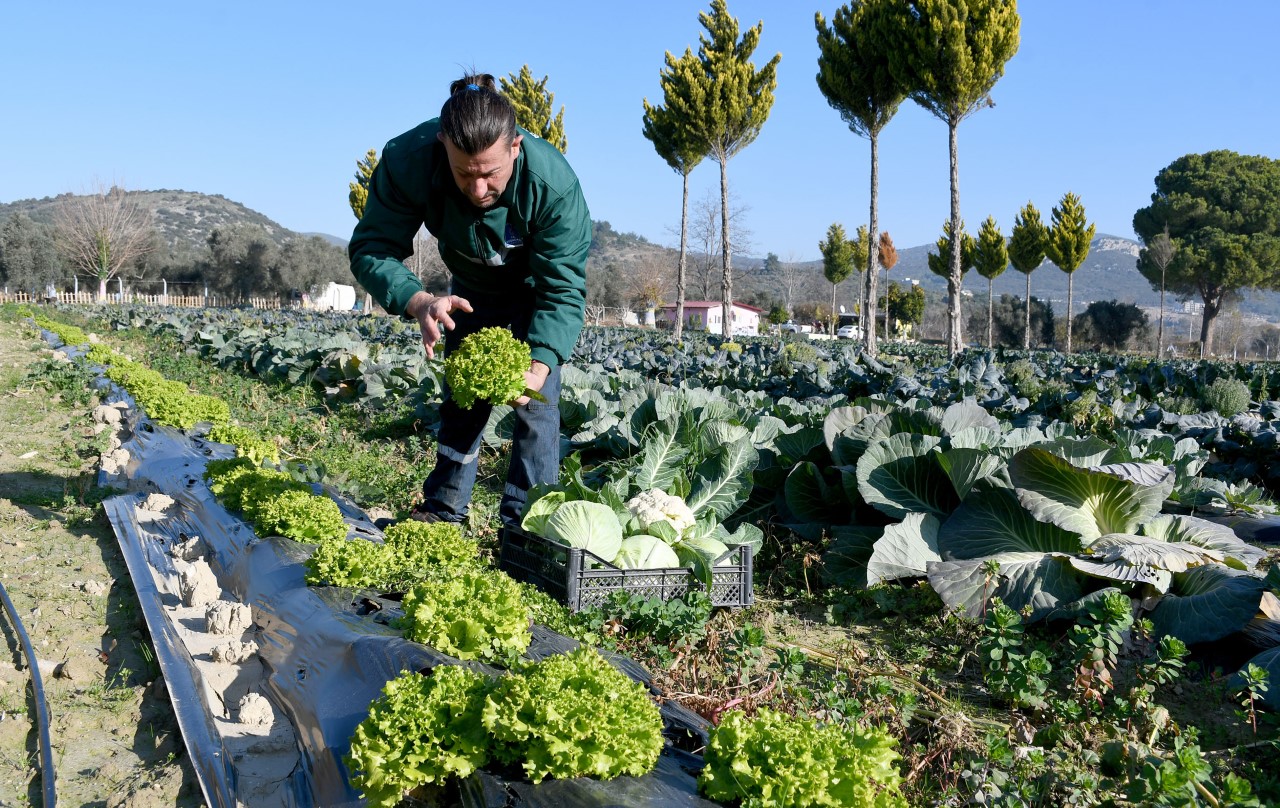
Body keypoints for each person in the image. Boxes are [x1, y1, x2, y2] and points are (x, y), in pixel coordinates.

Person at [348, 73, 591, 529]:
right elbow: (372, 248)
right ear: (443, 146)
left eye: (490, 174)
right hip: (470, 293)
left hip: (535, 292)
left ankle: (527, 527)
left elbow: (562, 287)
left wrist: (540, 364)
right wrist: (418, 300)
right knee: (463, 402)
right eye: (464, 173)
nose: (478, 190)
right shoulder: (409, 161)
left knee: (537, 406)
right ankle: (444, 509)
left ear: (515, 147)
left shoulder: (552, 185)